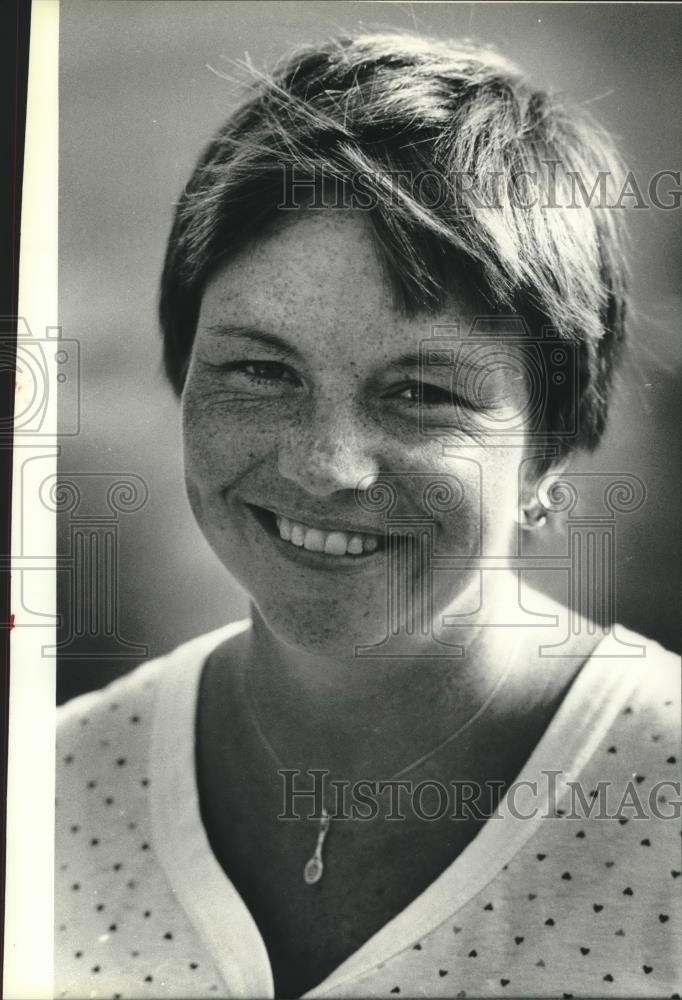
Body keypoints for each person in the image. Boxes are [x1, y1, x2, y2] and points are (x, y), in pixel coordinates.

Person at [55, 32, 680, 999]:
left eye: (422, 391)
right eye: (261, 371)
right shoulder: (55, 780)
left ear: (549, 448)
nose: (324, 465)